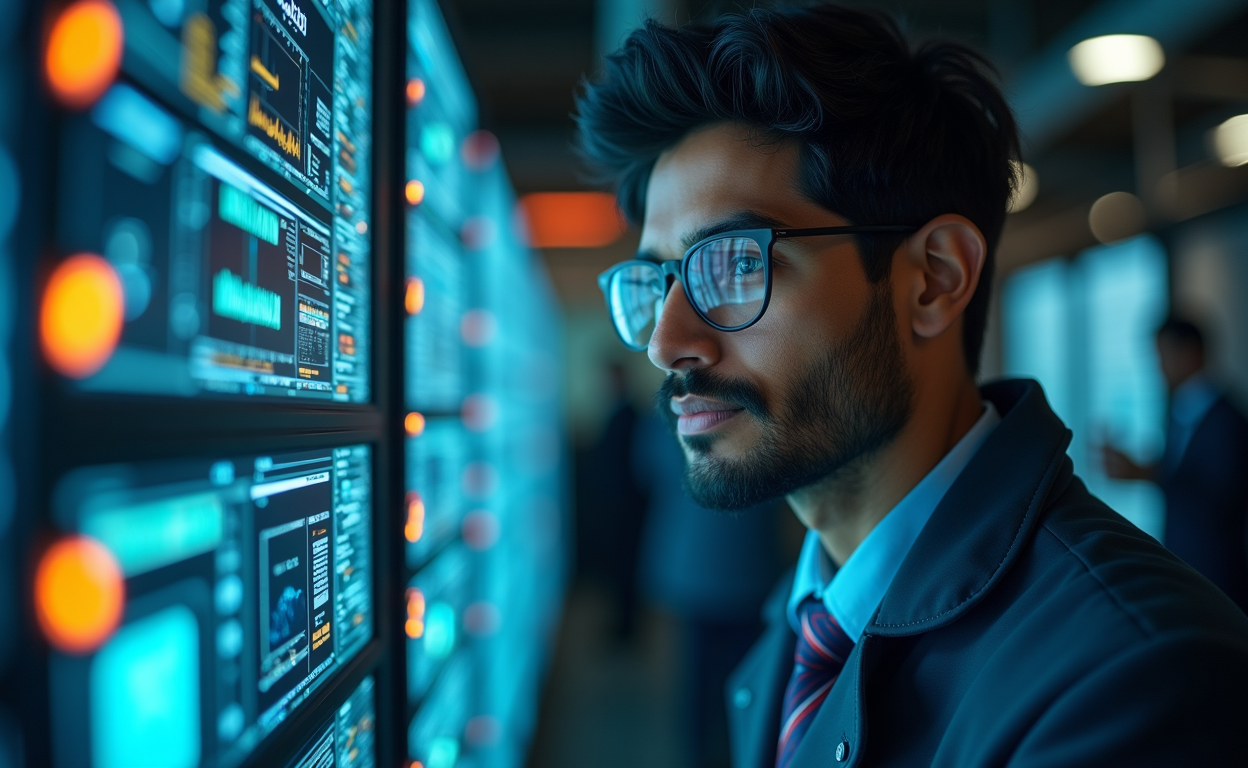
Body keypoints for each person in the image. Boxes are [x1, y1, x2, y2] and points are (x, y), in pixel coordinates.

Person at [574, 5, 1248, 767]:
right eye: (658, 281)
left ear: (934, 279)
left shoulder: (1135, 681)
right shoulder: (800, 621)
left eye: (736, 264)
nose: (667, 343)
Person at [1102, 317, 1248, 611]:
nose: (1158, 368)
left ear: (1190, 352)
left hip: (1218, 571)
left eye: (1163, 356)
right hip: (1185, 562)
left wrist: (1146, 472)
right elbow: (1183, 472)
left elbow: (1220, 494)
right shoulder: (1178, 412)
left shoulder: (1228, 421)